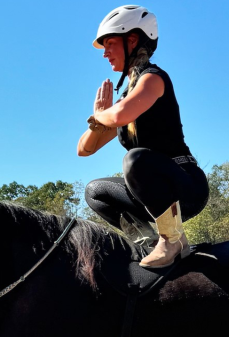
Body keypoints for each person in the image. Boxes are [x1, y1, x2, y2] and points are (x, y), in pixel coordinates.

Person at [78, 5, 208, 268]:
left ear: (133, 40)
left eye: (110, 43)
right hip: (150, 194)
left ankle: (172, 239)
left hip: (185, 187)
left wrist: (103, 115)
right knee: (95, 191)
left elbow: (118, 116)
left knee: (135, 159)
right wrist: (97, 121)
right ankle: (150, 242)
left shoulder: (153, 79)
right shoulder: (127, 98)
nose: (105, 53)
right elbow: (84, 149)